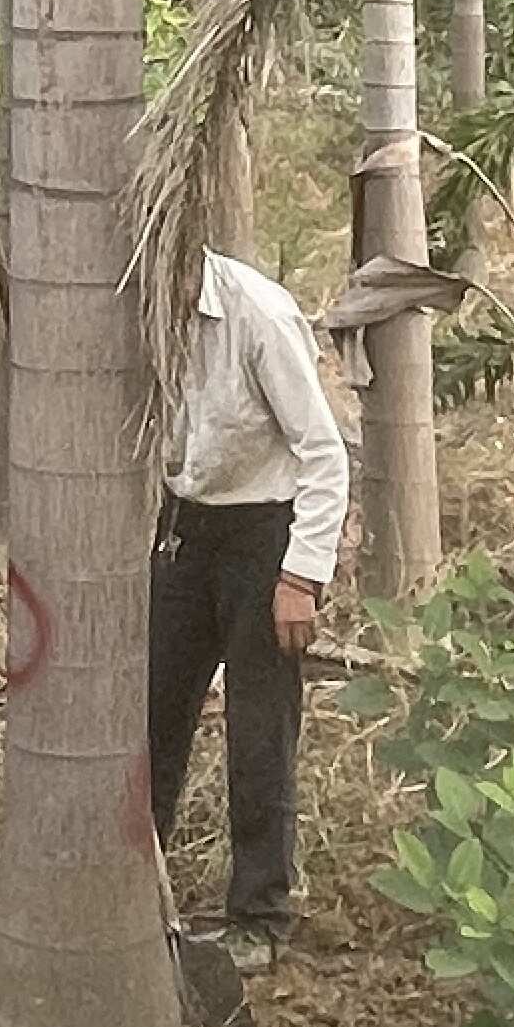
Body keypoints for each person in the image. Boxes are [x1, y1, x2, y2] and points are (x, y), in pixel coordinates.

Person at [149, 242, 351, 966]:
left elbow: (325, 453)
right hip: (183, 527)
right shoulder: (130, 302)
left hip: (264, 534)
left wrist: (300, 578)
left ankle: (260, 918)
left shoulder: (256, 314)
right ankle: (136, 897)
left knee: (258, 730)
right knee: (151, 716)